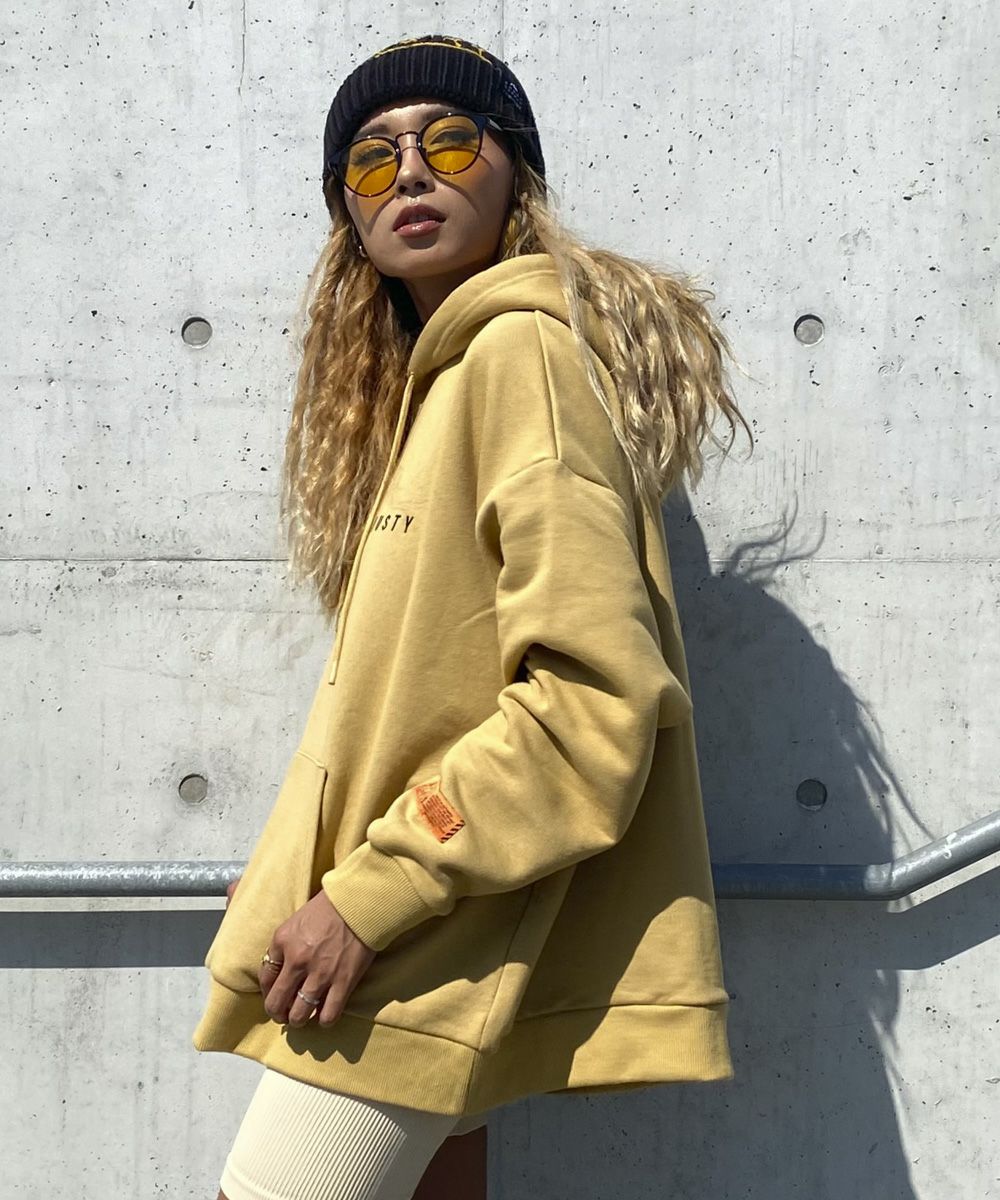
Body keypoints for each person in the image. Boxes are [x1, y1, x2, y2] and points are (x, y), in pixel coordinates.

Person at [192, 31, 753, 1200]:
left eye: (450, 141)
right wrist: (313, 874)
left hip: (423, 932)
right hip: (433, 916)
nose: (409, 172)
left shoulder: (521, 361)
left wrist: (369, 897)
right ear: (346, 211)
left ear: (515, 175)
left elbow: (588, 705)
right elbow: (417, 701)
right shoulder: (441, 386)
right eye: (370, 158)